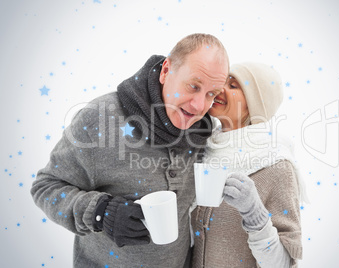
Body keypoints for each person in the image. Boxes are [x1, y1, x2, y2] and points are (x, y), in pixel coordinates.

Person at [31, 33, 229, 268]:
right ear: (166, 71)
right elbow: (46, 187)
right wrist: (101, 212)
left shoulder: (203, 132)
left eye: (211, 94)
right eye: (193, 86)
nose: (199, 106)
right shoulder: (101, 119)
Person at [191, 62, 307, 267]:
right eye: (223, 82)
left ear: (254, 104)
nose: (220, 89)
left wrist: (255, 215)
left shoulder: (277, 166)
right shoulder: (204, 150)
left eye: (233, 85)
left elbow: (283, 264)